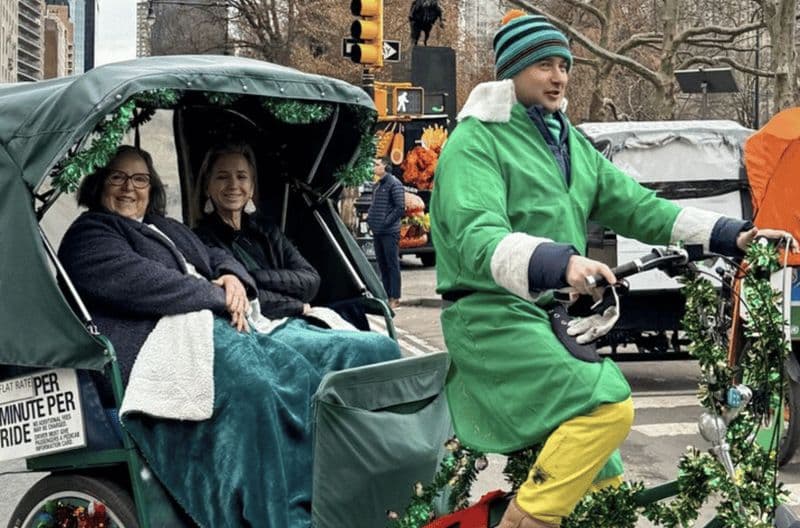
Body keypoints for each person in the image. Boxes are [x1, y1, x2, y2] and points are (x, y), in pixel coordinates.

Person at [430, 10, 795, 528]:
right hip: (492, 318)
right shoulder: (477, 141)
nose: (559, 77)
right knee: (606, 404)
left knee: (607, 483)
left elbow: (639, 206)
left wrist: (730, 235)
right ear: (511, 70)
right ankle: (521, 521)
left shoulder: (568, 143)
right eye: (543, 66)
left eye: (565, 65)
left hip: (547, 321)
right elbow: (475, 233)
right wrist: (562, 263)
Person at [58, 145, 400, 528]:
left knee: (320, 366)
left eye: (139, 179)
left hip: (215, 327)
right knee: (258, 387)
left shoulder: (166, 227)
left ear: (151, 187)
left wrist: (232, 275)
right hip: (162, 344)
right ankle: (274, 516)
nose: (128, 188)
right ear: (99, 184)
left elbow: (218, 256)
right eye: (117, 177)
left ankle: (341, 493)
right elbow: (147, 284)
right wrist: (219, 293)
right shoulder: (89, 234)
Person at [194, 142, 320, 320]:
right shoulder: (200, 239)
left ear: (251, 187)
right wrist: (296, 306)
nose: (233, 185)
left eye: (241, 177)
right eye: (222, 177)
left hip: (295, 319)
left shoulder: (267, 230)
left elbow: (310, 281)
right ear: (207, 187)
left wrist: (246, 278)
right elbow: (233, 297)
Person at [367, 157, 404, 309]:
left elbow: (400, 207)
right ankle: (386, 295)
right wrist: (371, 219)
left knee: (392, 264)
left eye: (377, 165)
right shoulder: (377, 185)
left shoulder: (394, 184)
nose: (374, 167)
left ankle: (394, 297)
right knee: (382, 265)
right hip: (378, 232)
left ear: (385, 166)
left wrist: (385, 222)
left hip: (389, 232)